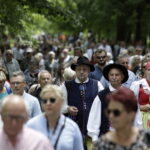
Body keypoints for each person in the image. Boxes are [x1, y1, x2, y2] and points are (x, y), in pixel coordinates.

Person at [87, 63, 142, 142]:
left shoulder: (129, 95)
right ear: (108, 77)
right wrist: (95, 138)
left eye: (117, 75)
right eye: (111, 75)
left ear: (122, 77)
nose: (114, 77)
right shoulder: (101, 96)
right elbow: (94, 118)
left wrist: (137, 134)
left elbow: (137, 117)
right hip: (106, 137)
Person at [61, 56, 104, 148]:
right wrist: (68, 108)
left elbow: (104, 104)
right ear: (75, 71)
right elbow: (60, 105)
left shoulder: (97, 84)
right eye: (79, 69)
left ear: (89, 71)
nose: (81, 71)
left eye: (84, 69)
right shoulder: (66, 85)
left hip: (93, 126)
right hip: (73, 125)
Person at [26, 84, 84, 150]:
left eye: (52, 100)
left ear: (61, 101)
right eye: (45, 101)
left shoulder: (72, 127)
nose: (48, 103)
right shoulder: (31, 125)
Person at [130, 61, 150, 129]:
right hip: (141, 118)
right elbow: (130, 104)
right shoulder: (138, 84)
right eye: (149, 69)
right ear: (145, 71)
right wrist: (140, 107)